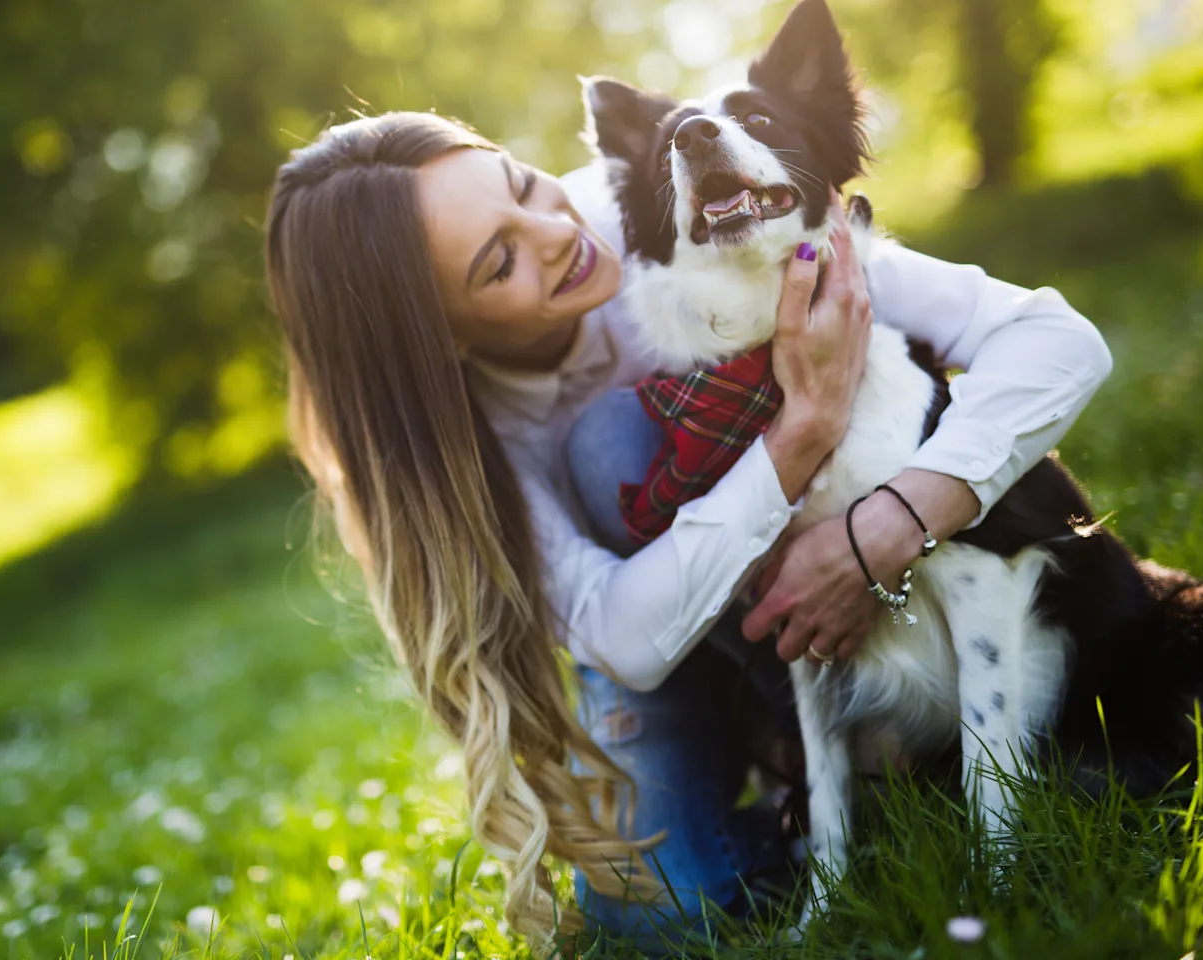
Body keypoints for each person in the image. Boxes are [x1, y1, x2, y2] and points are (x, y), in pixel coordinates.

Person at [263, 112, 1111, 946]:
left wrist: (891, 524)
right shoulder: (462, 442)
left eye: (524, 185)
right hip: (670, 645)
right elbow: (622, 638)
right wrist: (801, 431)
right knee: (663, 911)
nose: (556, 232)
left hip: (865, 574)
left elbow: (1059, 341)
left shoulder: (675, 197)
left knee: (609, 444)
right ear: (441, 340)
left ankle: (889, 757)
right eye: (500, 262)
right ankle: (833, 786)